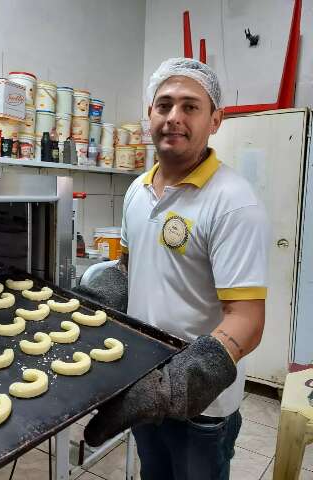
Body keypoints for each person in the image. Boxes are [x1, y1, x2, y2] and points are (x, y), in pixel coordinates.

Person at [80, 58, 270, 480]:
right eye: (164, 105)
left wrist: (173, 387)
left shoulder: (233, 202)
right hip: (142, 384)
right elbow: (130, 268)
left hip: (202, 404)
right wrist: (102, 295)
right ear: (149, 114)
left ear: (215, 120)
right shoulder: (137, 190)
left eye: (190, 107)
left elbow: (248, 320)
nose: (174, 118)